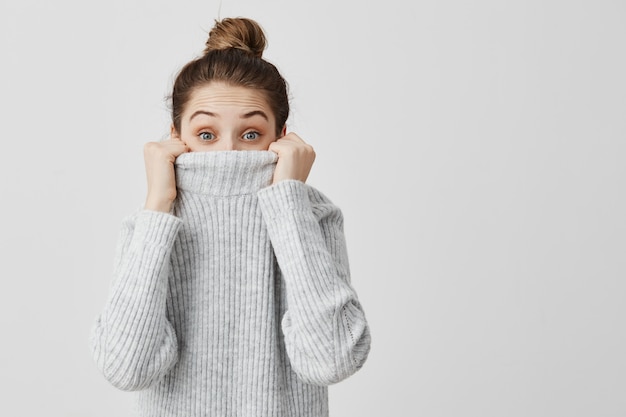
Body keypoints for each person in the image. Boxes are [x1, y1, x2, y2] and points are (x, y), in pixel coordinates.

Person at [90, 16, 371, 417]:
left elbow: (332, 360)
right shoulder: (152, 221)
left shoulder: (312, 215)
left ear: (283, 136)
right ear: (175, 136)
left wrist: (289, 203)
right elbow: (126, 368)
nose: (229, 153)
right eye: (206, 135)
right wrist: (158, 204)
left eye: (251, 134)